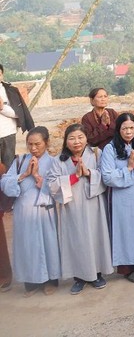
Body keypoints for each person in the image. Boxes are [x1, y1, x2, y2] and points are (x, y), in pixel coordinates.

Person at [47, 124, 113, 294]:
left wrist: (89, 173)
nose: (77, 142)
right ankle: (79, 277)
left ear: (86, 138)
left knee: (95, 237)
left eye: (80, 137)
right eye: (72, 138)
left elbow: (104, 175)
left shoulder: (96, 154)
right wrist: (74, 176)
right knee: (75, 240)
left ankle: (97, 274)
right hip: (72, 207)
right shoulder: (58, 161)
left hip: (93, 204)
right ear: (66, 141)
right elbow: (52, 185)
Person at [1, 126, 59, 296]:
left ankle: (51, 280)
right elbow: (5, 183)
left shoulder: (54, 162)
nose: (33, 148)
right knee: (27, 247)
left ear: (46, 143)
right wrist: (24, 174)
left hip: (44, 211)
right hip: (24, 212)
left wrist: (38, 178)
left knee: (48, 246)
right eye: (30, 144)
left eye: (37, 144)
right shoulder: (20, 161)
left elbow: (58, 187)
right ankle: (31, 282)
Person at [100, 113, 134, 283]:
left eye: (132, 127)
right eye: (124, 128)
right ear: (118, 129)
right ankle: (127, 268)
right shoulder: (110, 149)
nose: (129, 131)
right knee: (126, 230)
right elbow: (107, 176)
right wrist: (128, 168)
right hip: (122, 196)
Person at [0, 64, 35, 168]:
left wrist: (2, 108)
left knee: (9, 165)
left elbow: (19, 113)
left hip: (8, 133)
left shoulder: (11, 91)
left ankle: (8, 184)